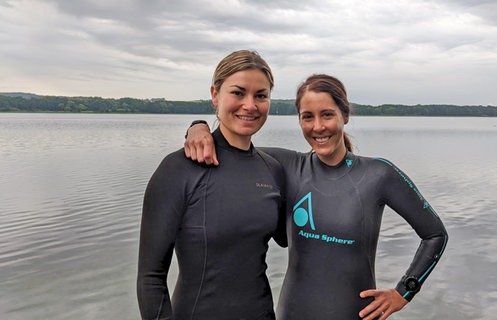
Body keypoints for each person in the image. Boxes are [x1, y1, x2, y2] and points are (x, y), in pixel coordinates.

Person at [185, 74, 448, 320]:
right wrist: (198, 127)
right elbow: (227, 151)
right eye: (307, 116)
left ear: (344, 115)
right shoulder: (285, 165)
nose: (318, 126)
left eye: (327, 115)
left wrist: (404, 291)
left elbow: (435, 234)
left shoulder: (379, 174)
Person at [137, 50, 287, 320]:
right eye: (238, 93)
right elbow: (151, 277)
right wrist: (196, 125)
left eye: (261, 95)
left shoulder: (273, 168)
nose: (250, 105)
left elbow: (292, 239)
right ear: (215, 95)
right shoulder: (179, 168)